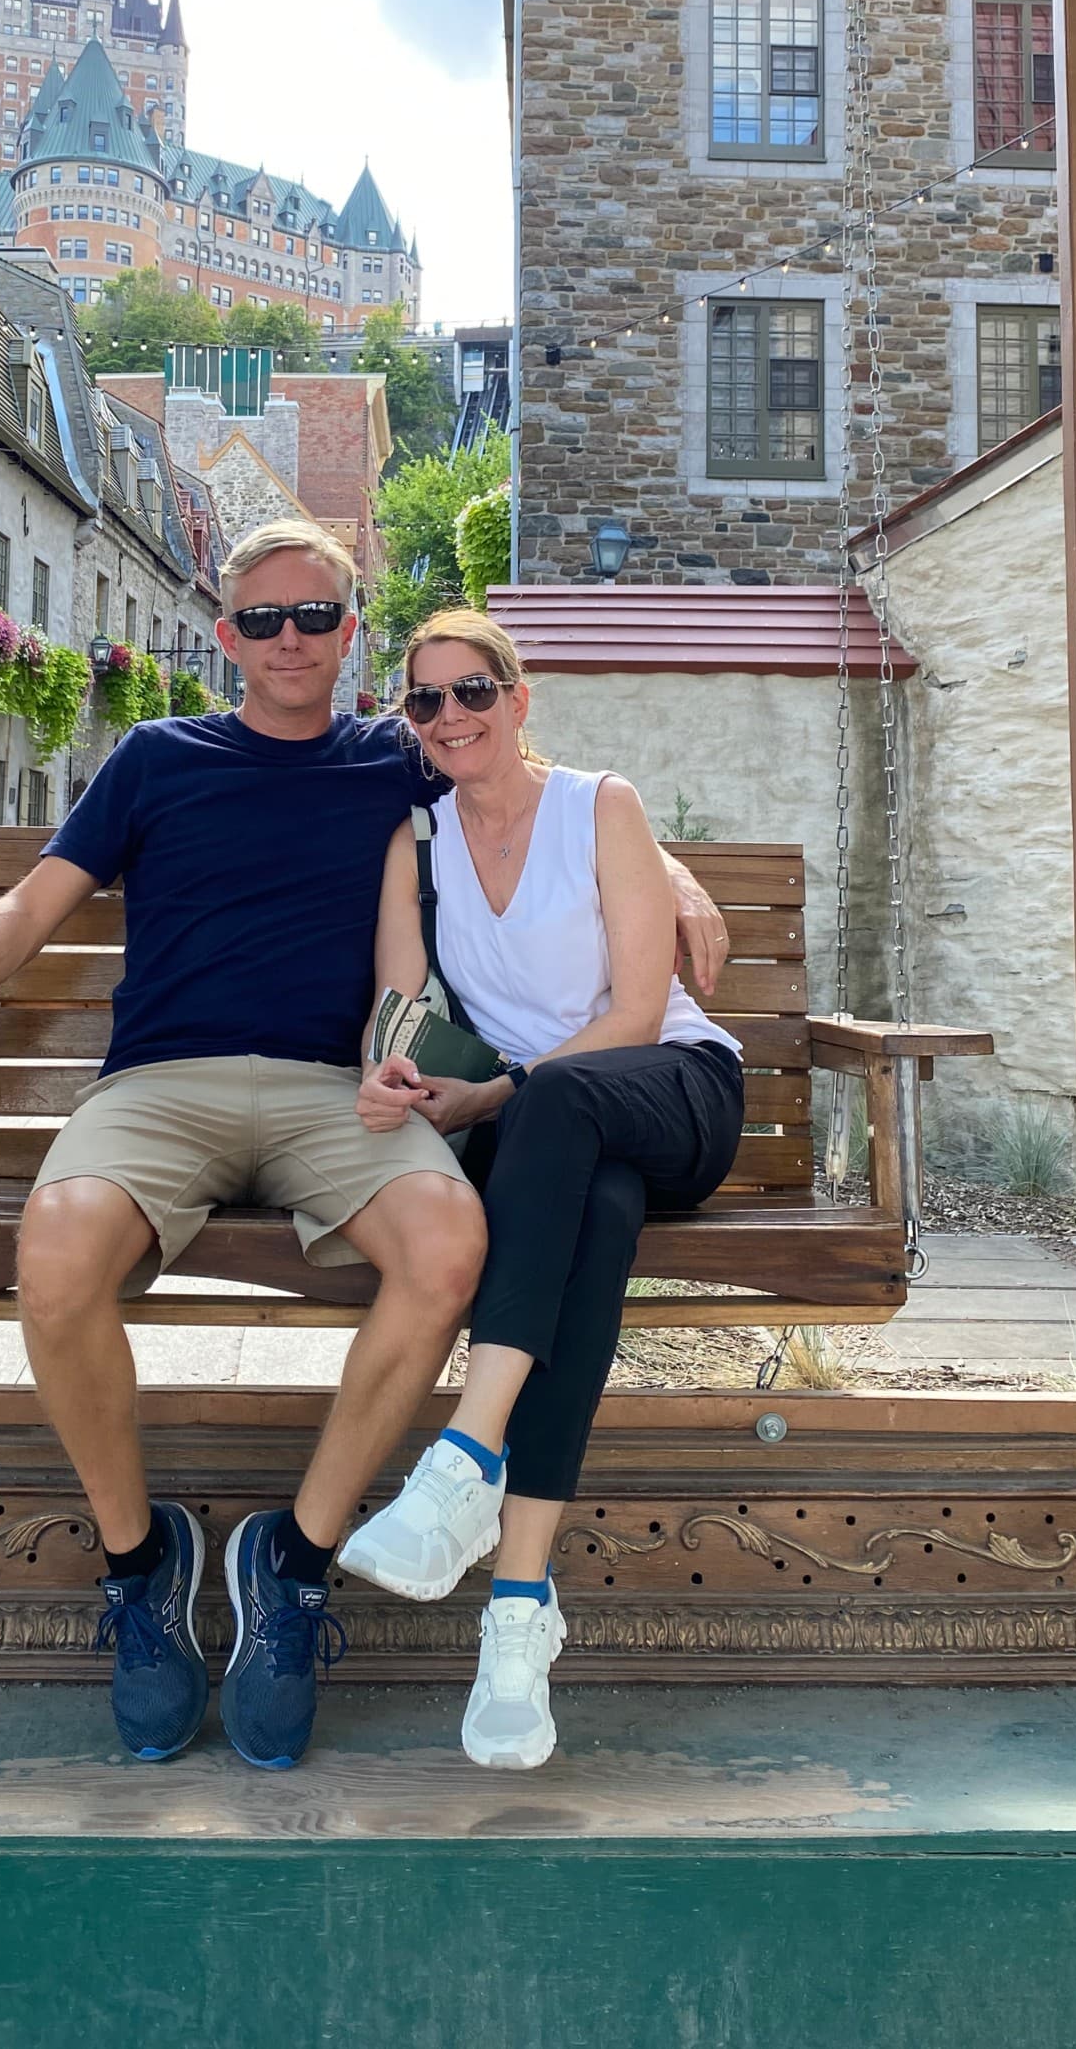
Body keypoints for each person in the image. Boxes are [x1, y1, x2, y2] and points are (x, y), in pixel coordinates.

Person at [0, 525, 727, 1771]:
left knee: (447, 1240)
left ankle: (292, 1568)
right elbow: (35, 906)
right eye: (262, 621)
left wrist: (672, 874)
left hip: (331, 1095)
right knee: (59, 1246)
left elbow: (519, 771)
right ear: (225, 636)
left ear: (350, 633)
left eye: (314, 617)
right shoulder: (154, 757)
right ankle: (142, 1567)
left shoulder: (390, 757)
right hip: (165, 1082)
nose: (289, 639)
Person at [340, 608, 745, 1772]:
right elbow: (398, 1014)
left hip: (668, 1090)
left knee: (566, 1107)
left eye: (474, 692)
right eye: (425, 701)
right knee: (594, 1218)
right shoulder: (413, 846)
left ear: (520, 700)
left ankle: (465, 1456)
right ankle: (517, 1610)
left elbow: (627, 1013)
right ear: (409, 723)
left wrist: (503, 1091)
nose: (450, 717)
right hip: (551, 1148)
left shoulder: (597, 806)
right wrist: (400, 1083)